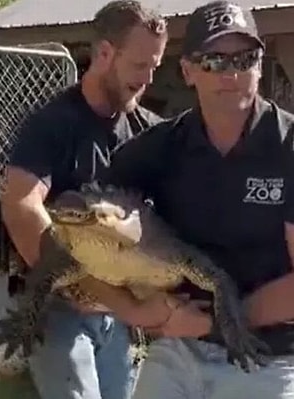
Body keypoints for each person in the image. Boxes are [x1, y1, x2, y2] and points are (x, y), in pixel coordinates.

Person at [99, 1, 294, 398]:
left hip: (270, 355)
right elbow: (75, 239)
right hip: (179, 347)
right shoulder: (159, 149)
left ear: (260, 63)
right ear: (188, 70)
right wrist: (138, 311)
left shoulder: (287, 145)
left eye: (245, 58)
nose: (233, 73)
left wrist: (220, 322)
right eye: (215, 60)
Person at [0, 1, 175, 398]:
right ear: (104, 53)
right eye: (139, 65)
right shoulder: (52, 123)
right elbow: (21, 207)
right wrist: (88, 286)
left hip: (121, 315)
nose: (147, 79)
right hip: (62, 307)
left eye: (155, 66)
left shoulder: (148, 133)